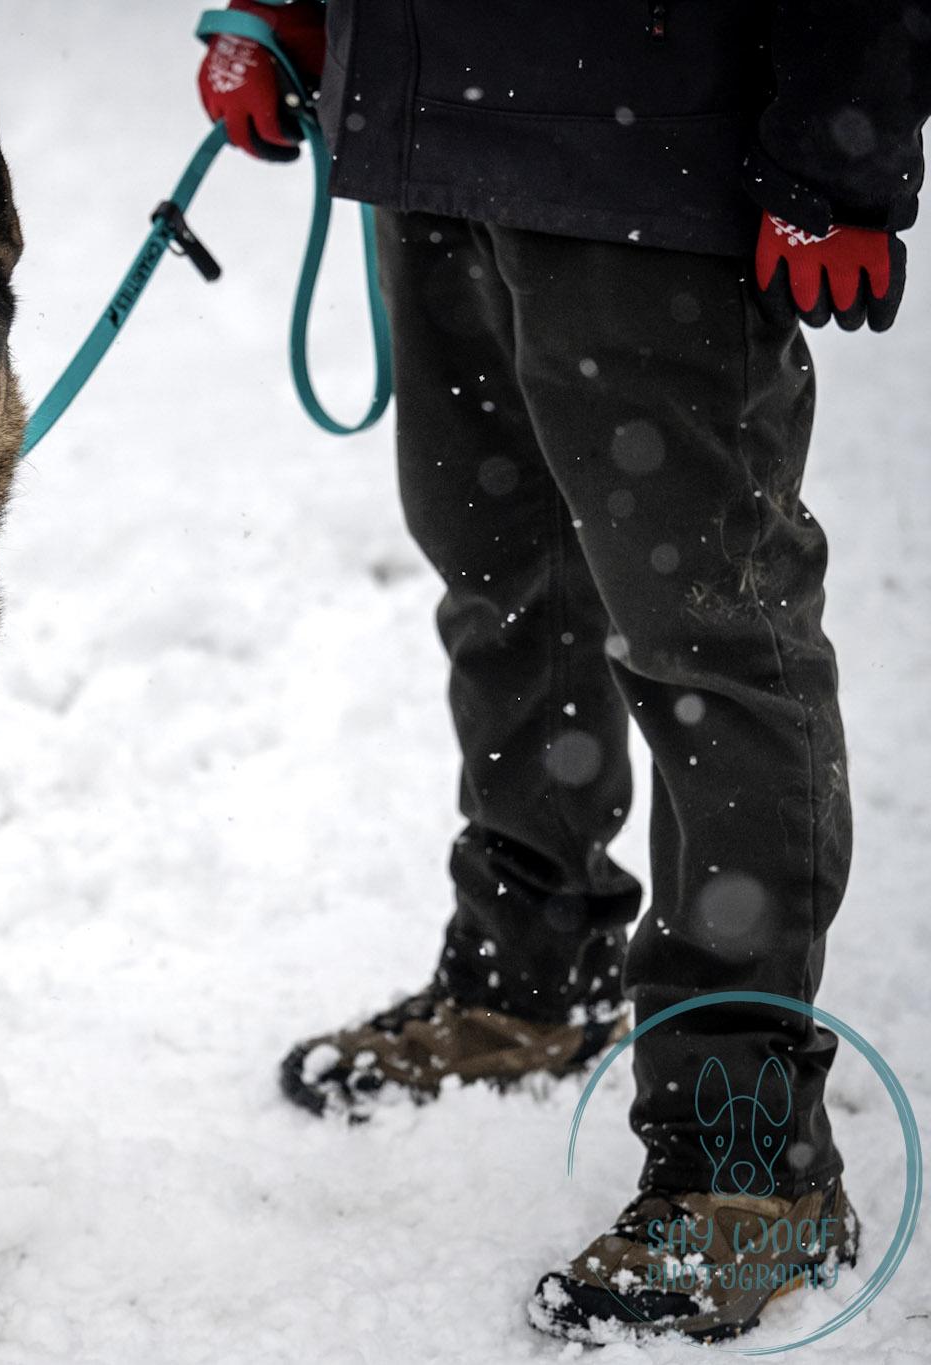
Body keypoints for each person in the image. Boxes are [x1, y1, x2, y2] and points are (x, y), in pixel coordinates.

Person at [196, 0, 931, 1343]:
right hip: (423, 101)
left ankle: (748, 1167)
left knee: (712, 637)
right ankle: (532, 968)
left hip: (651, 130)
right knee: (503, 567)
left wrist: (844, 143)